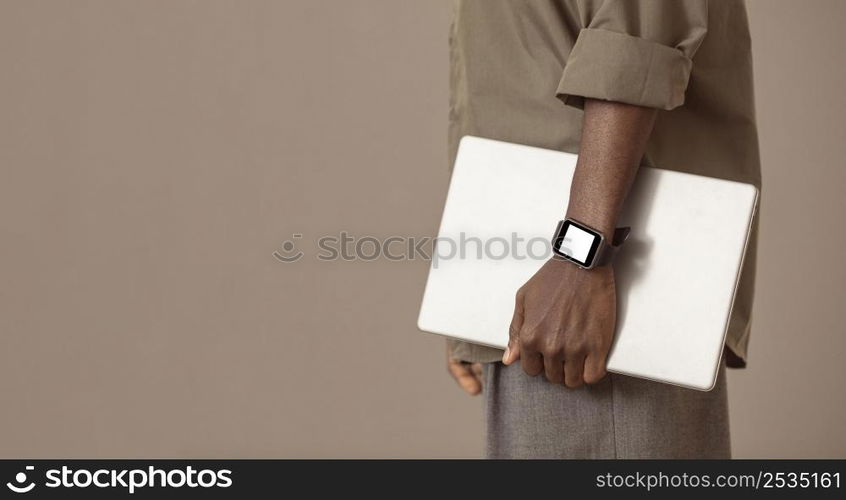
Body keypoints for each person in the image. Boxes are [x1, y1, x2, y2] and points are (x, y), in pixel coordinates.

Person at [445, 0, 761, 458]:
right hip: (538, 288)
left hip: (595, 289)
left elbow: (634, 46)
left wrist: (579, 256)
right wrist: (469, 301)